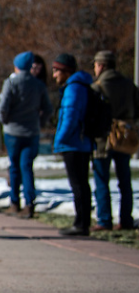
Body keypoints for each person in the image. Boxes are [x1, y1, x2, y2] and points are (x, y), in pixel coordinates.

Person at [0, 51, 52, 218]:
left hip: (13, 132)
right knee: (27, 167)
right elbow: (48, 109)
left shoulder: (11, 83)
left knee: (14, 167)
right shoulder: (38, 85)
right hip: (32, 132)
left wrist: (5, 121)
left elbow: (3, 107)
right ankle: (29, 204)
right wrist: (40, 123)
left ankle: (14, 202)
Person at [90, 50, 138, 231]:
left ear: (101, 65)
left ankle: (104, 219)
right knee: (124, 180)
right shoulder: (129, 85)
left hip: (104, 138)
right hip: (125, 137)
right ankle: (125, 219)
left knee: (102, 179)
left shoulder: (98, 86)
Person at [52, 53, 94, 236]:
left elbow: (70, 117)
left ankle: (81, 224)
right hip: (82, 142)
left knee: (78, 185)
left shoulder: (73, 89)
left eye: (56, 71)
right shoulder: (82, 86)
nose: (54, 75)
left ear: (65, 71)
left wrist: (60, 140)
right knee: (81, 184)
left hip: (74, 143)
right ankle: (82, 222)